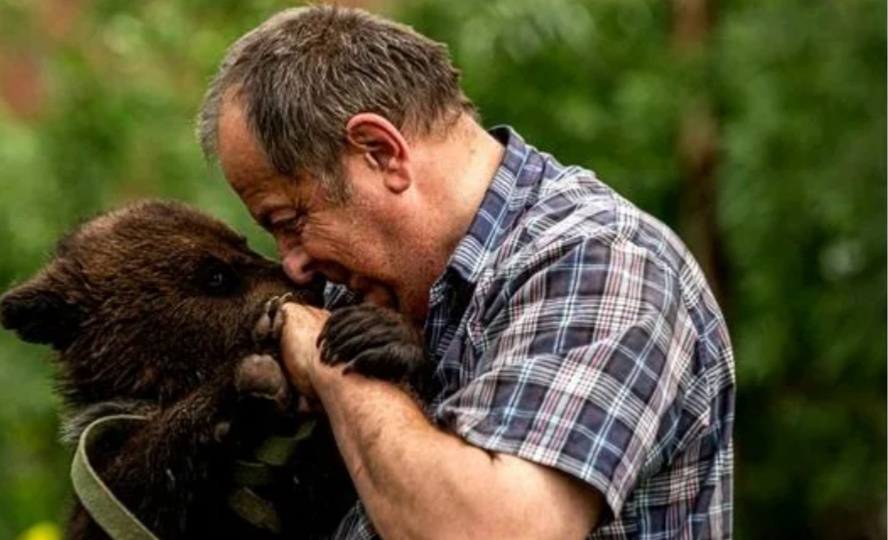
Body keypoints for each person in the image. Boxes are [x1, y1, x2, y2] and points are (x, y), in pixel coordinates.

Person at [196, 5, 734, 540]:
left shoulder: (603, 262)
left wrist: (330, 360)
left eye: (290, 221)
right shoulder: (365, 284)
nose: (291, 262)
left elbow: (493, 530)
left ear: (381, 153)